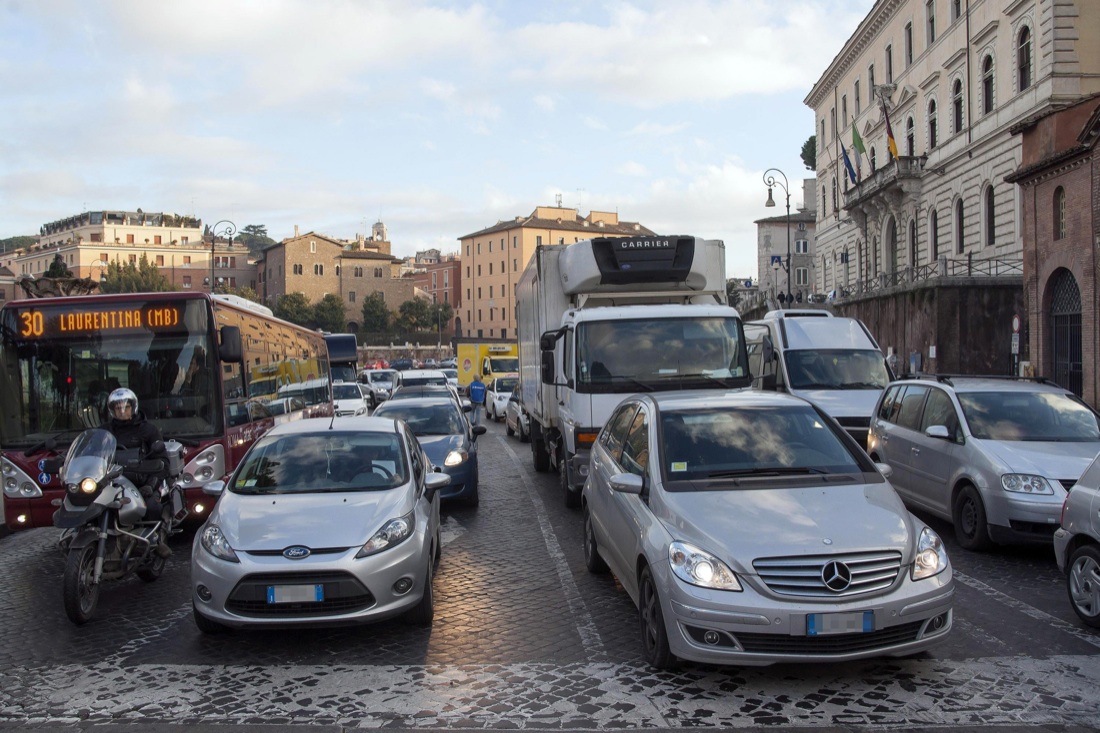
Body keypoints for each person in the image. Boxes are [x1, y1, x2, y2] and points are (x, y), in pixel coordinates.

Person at [103, 388, 172, 556]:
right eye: (117, 408)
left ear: (132, 408)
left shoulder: (148, 430)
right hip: (112, 482)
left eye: (125, 407)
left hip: (141, 482)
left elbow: (163, 461)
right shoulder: (105, 431)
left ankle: (156, 539)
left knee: (152, 505)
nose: (122, 411)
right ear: (112, 410)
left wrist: (151, 484)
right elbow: (93, 452)